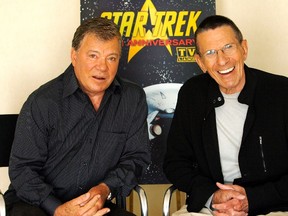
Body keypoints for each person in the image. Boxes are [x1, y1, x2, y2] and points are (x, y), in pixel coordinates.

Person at [4, 17, 150, 216]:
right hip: (38, 205)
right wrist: (58, 209)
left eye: (111, 58)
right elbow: (22, 170)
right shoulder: (43, 102)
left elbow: (136, 158)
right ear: (74, 56)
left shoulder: (132, 99)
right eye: (93, 56)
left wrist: (105, 189)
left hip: (94, 205)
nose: (102, 67)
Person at [163, 15, 288, 216]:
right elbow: (175, 163)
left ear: (244, 48)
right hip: (211, 207)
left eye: (228, 47)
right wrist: (213, 196)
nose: (222, 60)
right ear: (200, 62)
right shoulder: (191, 94)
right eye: (210, 53)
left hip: (274, 206)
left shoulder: (281, 91)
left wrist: (253, 199)